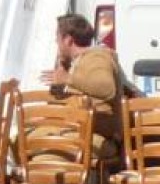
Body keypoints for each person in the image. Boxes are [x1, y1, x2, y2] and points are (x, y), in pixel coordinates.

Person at [40, 14, 133, 162]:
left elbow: (106, 88)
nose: (56, 43)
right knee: (19, 139)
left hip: (98, 136)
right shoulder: (78, 61)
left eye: (57, 39)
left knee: (45, 155)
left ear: (68, 40)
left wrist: (68, 79)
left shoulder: (97, 57)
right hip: (79, 130)